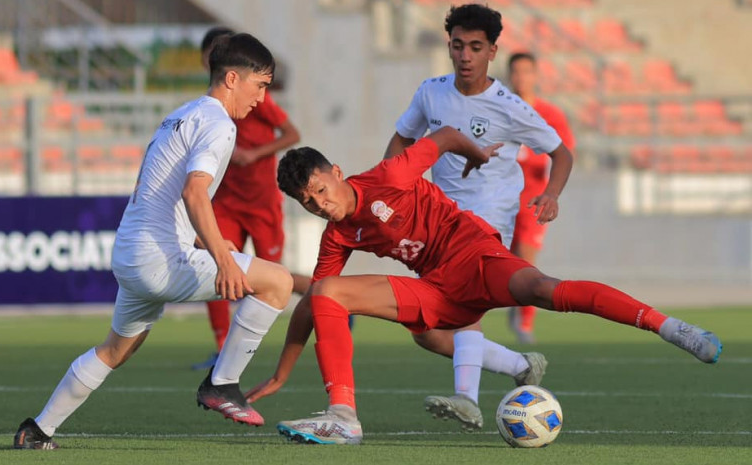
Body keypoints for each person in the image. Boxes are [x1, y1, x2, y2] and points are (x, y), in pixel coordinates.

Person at [245, 126, 721, 445]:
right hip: (436, 283)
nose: (320, 205)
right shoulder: (338, 237)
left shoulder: (390, 176)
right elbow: (314, 309)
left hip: (472, 253)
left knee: (543, 289)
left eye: (321, 191)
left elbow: (446, 136)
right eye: (308, 202)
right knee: (373, 312)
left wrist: (475, 154)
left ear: (336, 173)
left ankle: (671, 327)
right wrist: (283, 372)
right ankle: (343, 416)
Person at [13, 33, 292, 450]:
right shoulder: (218, 123)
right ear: (233, 78)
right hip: (159, 260)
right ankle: (223, 382)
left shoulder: (182, 114)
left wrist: (209, 243)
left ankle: (37, 430)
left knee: (114, 351)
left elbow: (169, 194)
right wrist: (223, 258)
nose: (261, 97)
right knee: (279, 283)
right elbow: (194, 192)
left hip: (131, 254)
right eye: (260, 84)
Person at [382, 4, 574, 428]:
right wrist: (390, 186)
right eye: (457, 46)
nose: (465, 55)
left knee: (464, 308)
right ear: (448, 47)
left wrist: (552, 194)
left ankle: (466, 398)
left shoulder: (509, 105)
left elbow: (560, 152)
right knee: (426, 331)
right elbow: (402, 137)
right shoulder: (430, 92)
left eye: (475, 47)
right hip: (437, 220)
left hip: (488, 220)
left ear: (492, 51)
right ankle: (520, 365)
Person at [192, 27, 309, 371]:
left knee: (274, 274)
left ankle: (324, 299)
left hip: (261, 203)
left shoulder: (253, 96)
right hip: (226, 201)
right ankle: (223, 350)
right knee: (216, 265)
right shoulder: (210, 106)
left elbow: (292, 134)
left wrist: (254, 154)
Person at [507, 51, 576, 344]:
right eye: (516, 72)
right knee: (499, 257)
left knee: (526, 257)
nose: (521, 77)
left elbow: (564, 152)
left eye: (526, 71)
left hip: (534, 196)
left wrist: (551, 191)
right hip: (501, 194)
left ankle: (524, 322)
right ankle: (505, 303)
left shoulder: (551, 114)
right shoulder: (501, 107)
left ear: (536, 75)